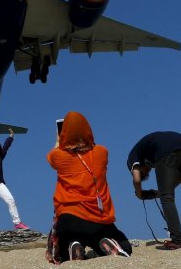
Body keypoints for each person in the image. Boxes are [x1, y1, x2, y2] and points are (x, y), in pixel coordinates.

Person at [46, 111, 132, 262]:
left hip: (68, 217)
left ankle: (74, 245)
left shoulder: (59, 157)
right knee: (123, 244)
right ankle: (103, 241)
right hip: (98, 219)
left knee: (66, 241)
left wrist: (59, 138)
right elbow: (92, 146)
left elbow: (55, 151)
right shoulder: (102, 152)